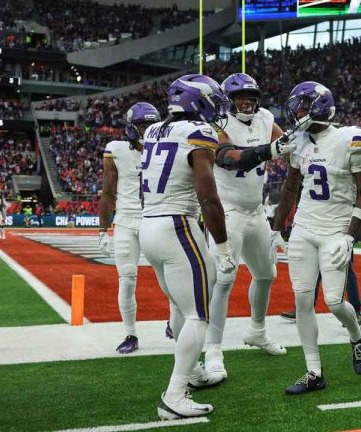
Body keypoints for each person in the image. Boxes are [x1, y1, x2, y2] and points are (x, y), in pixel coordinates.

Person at [139, 74, 236, 419]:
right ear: (199, 101)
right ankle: (175, 394)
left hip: (148, 225)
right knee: (198, 314)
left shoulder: (153, 130)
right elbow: (208, 197)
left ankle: (192, 372)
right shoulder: (199, 132)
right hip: (177, 225)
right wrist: (222, 246)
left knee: (180, 307)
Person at [272, 81, 361, 394]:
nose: (297, 113)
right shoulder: (298, 141)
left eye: (303, 106)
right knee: (303, 300)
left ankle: (356, 335)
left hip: (335, 230)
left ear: (319, 107)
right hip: (304, 227)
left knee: (333, 302)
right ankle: (314, 372)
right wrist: (275, 228)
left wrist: (350, 236)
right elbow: (290, 188)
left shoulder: (349, 137)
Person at [201, 72, 289, 382]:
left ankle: (257, 330)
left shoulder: (265, 117)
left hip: (256, 210)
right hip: (228, 210)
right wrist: (271, 151)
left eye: (251, 97)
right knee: (224, 278)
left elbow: (285, 142)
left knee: (266, 274)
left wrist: (298, 144)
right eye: (240, 97)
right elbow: (229, 160)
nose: (246, 103)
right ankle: (212, 349)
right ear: (228, 100)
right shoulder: (217, 124)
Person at [99, 101, 165, 354]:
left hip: (156, 217)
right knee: (126, 279)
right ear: (130, 127)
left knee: (168, 276)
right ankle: (130, 333)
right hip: (126, 220)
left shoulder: (166, 148)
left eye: (150, 124)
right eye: (141, 125)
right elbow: (107, 192)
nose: (147, 129)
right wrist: (103, 230)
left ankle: (174, 321)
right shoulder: (116, 149)